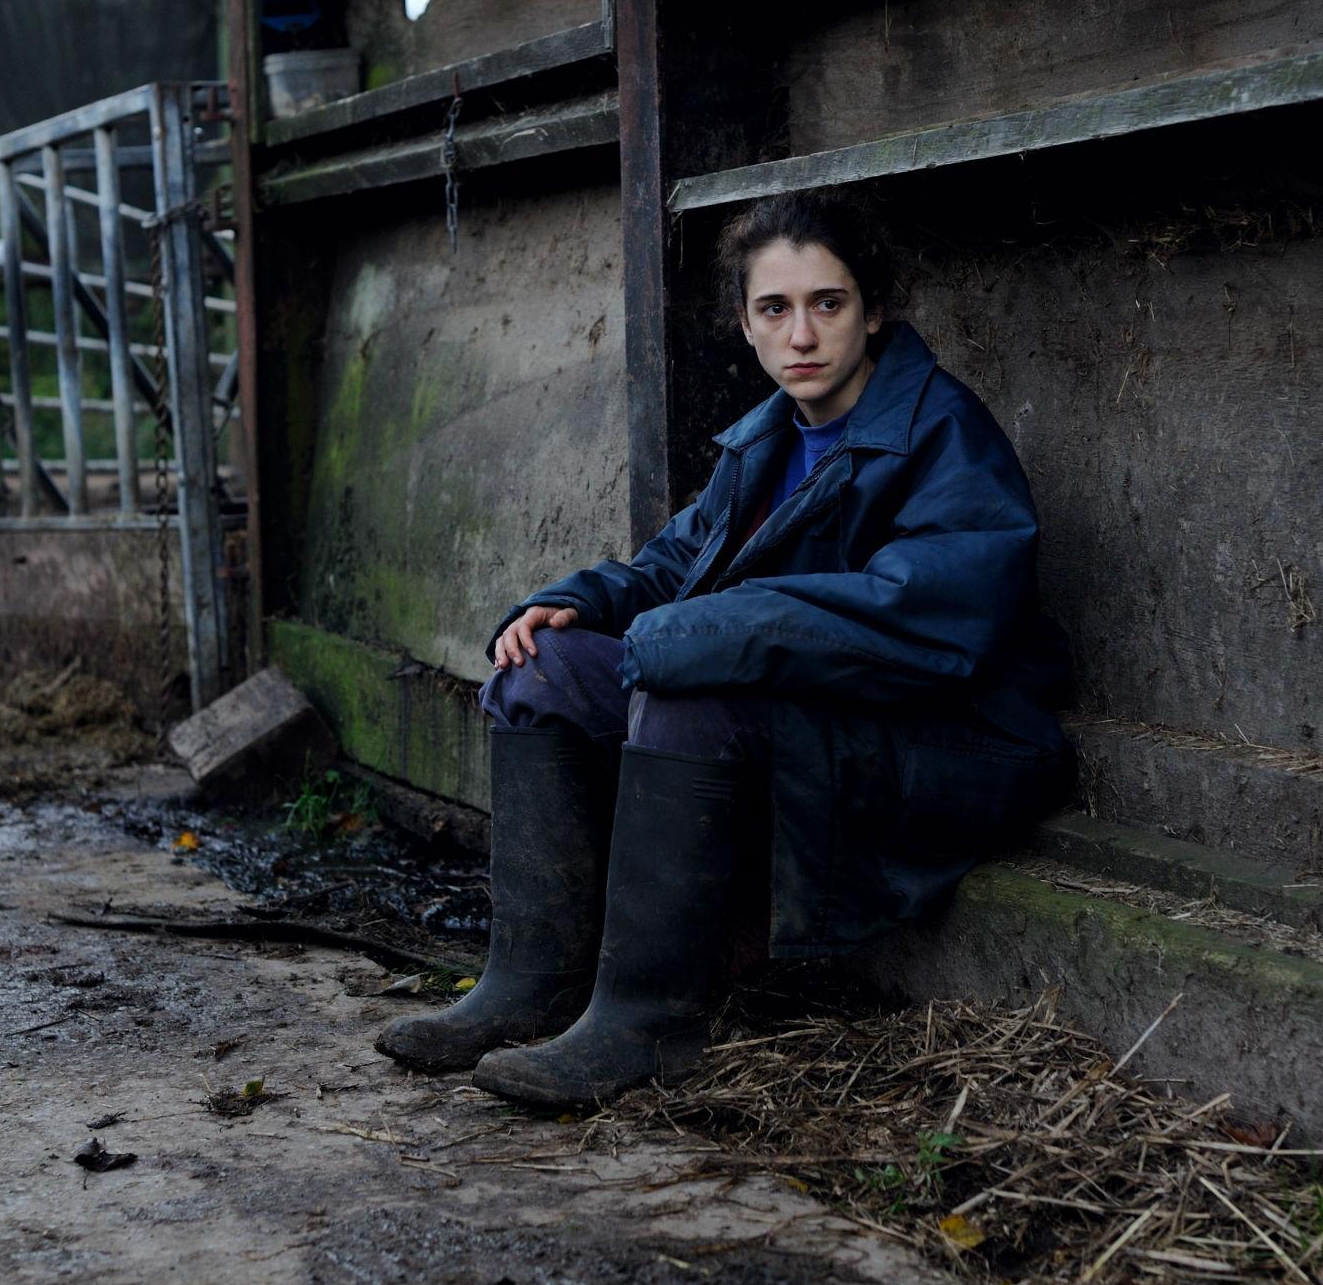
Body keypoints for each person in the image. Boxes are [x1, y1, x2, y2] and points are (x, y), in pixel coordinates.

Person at [374, 189, 1076, 1105]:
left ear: (874, 309)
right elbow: (676, 566)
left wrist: (718, 630)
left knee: (687, 686)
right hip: (810, 722)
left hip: (938, 744)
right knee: (540, 669)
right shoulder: (769, 439)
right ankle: (531, 986)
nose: (803, 336)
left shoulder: (942, 434)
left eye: (828, 304)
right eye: (774, 310)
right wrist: (575, 602)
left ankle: (648, 1021)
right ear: (745, 325)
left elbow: (931, 617)